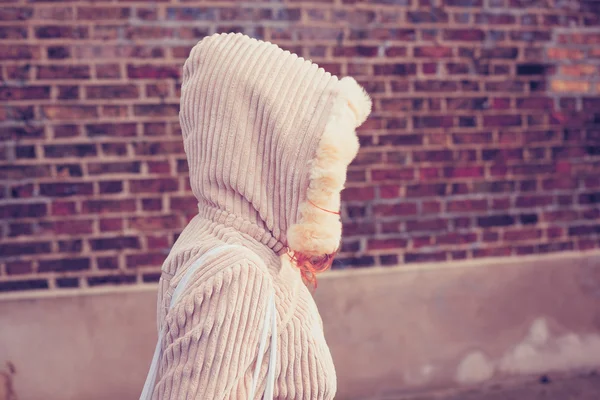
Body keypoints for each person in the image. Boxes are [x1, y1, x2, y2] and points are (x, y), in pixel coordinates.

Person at [142, 32, 371, 399]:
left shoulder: (249, 248)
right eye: (318, 161)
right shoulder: (236, 270)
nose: (326, 186)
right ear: (272, 152)